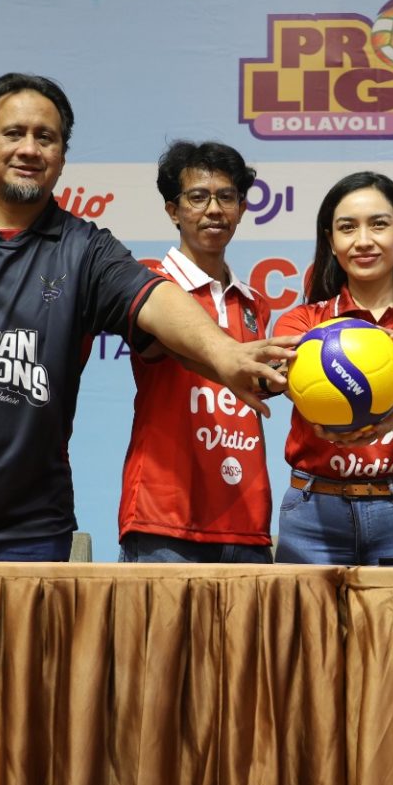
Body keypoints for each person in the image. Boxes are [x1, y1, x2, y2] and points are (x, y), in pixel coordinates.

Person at [0, 73, 291, 561]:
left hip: (28, 536)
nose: (29, 149)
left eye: (46, 137)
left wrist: (224, 352)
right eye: (13, 133)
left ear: (61, 156)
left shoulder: (85, 249)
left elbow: (154, 297)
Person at [271, 171, 393, 565]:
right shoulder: (302, 323)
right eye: (347, 228)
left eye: (378, 224)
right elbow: (297, 386)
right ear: (330, 241)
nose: (363, 240)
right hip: (313, 511)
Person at [117, 141, 275, 563]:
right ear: (173, 210)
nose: (214, 210)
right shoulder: (148, 285)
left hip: (246, 518)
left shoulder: (255, 303)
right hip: (164, 519)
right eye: (198, 197)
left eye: (227, 197)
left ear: (242, 208)